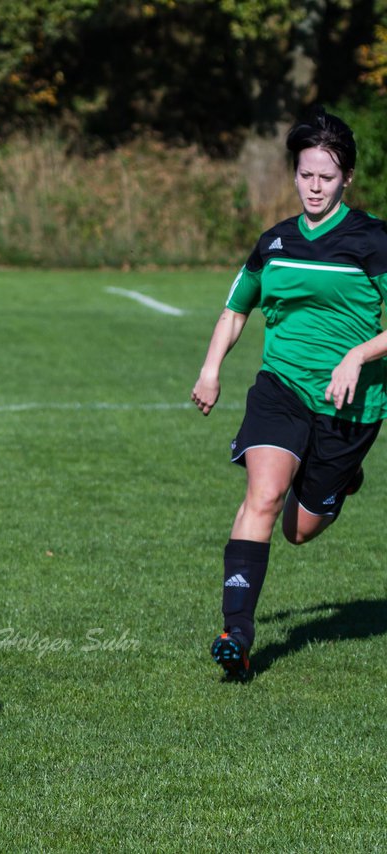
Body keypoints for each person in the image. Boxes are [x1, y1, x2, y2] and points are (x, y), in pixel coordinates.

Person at [191, 107, 387, 681]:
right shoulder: (273, 242)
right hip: (281, 389)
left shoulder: (373, 240)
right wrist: (210, 368)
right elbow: (236, 308)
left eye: (327, 176)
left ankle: (341, 480)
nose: (315, 187)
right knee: (264, 494)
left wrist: (358, 354)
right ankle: (237, 633)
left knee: (299, 530)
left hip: (352, 406)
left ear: (346, 177)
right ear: (294, 174)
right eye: (306, 175)